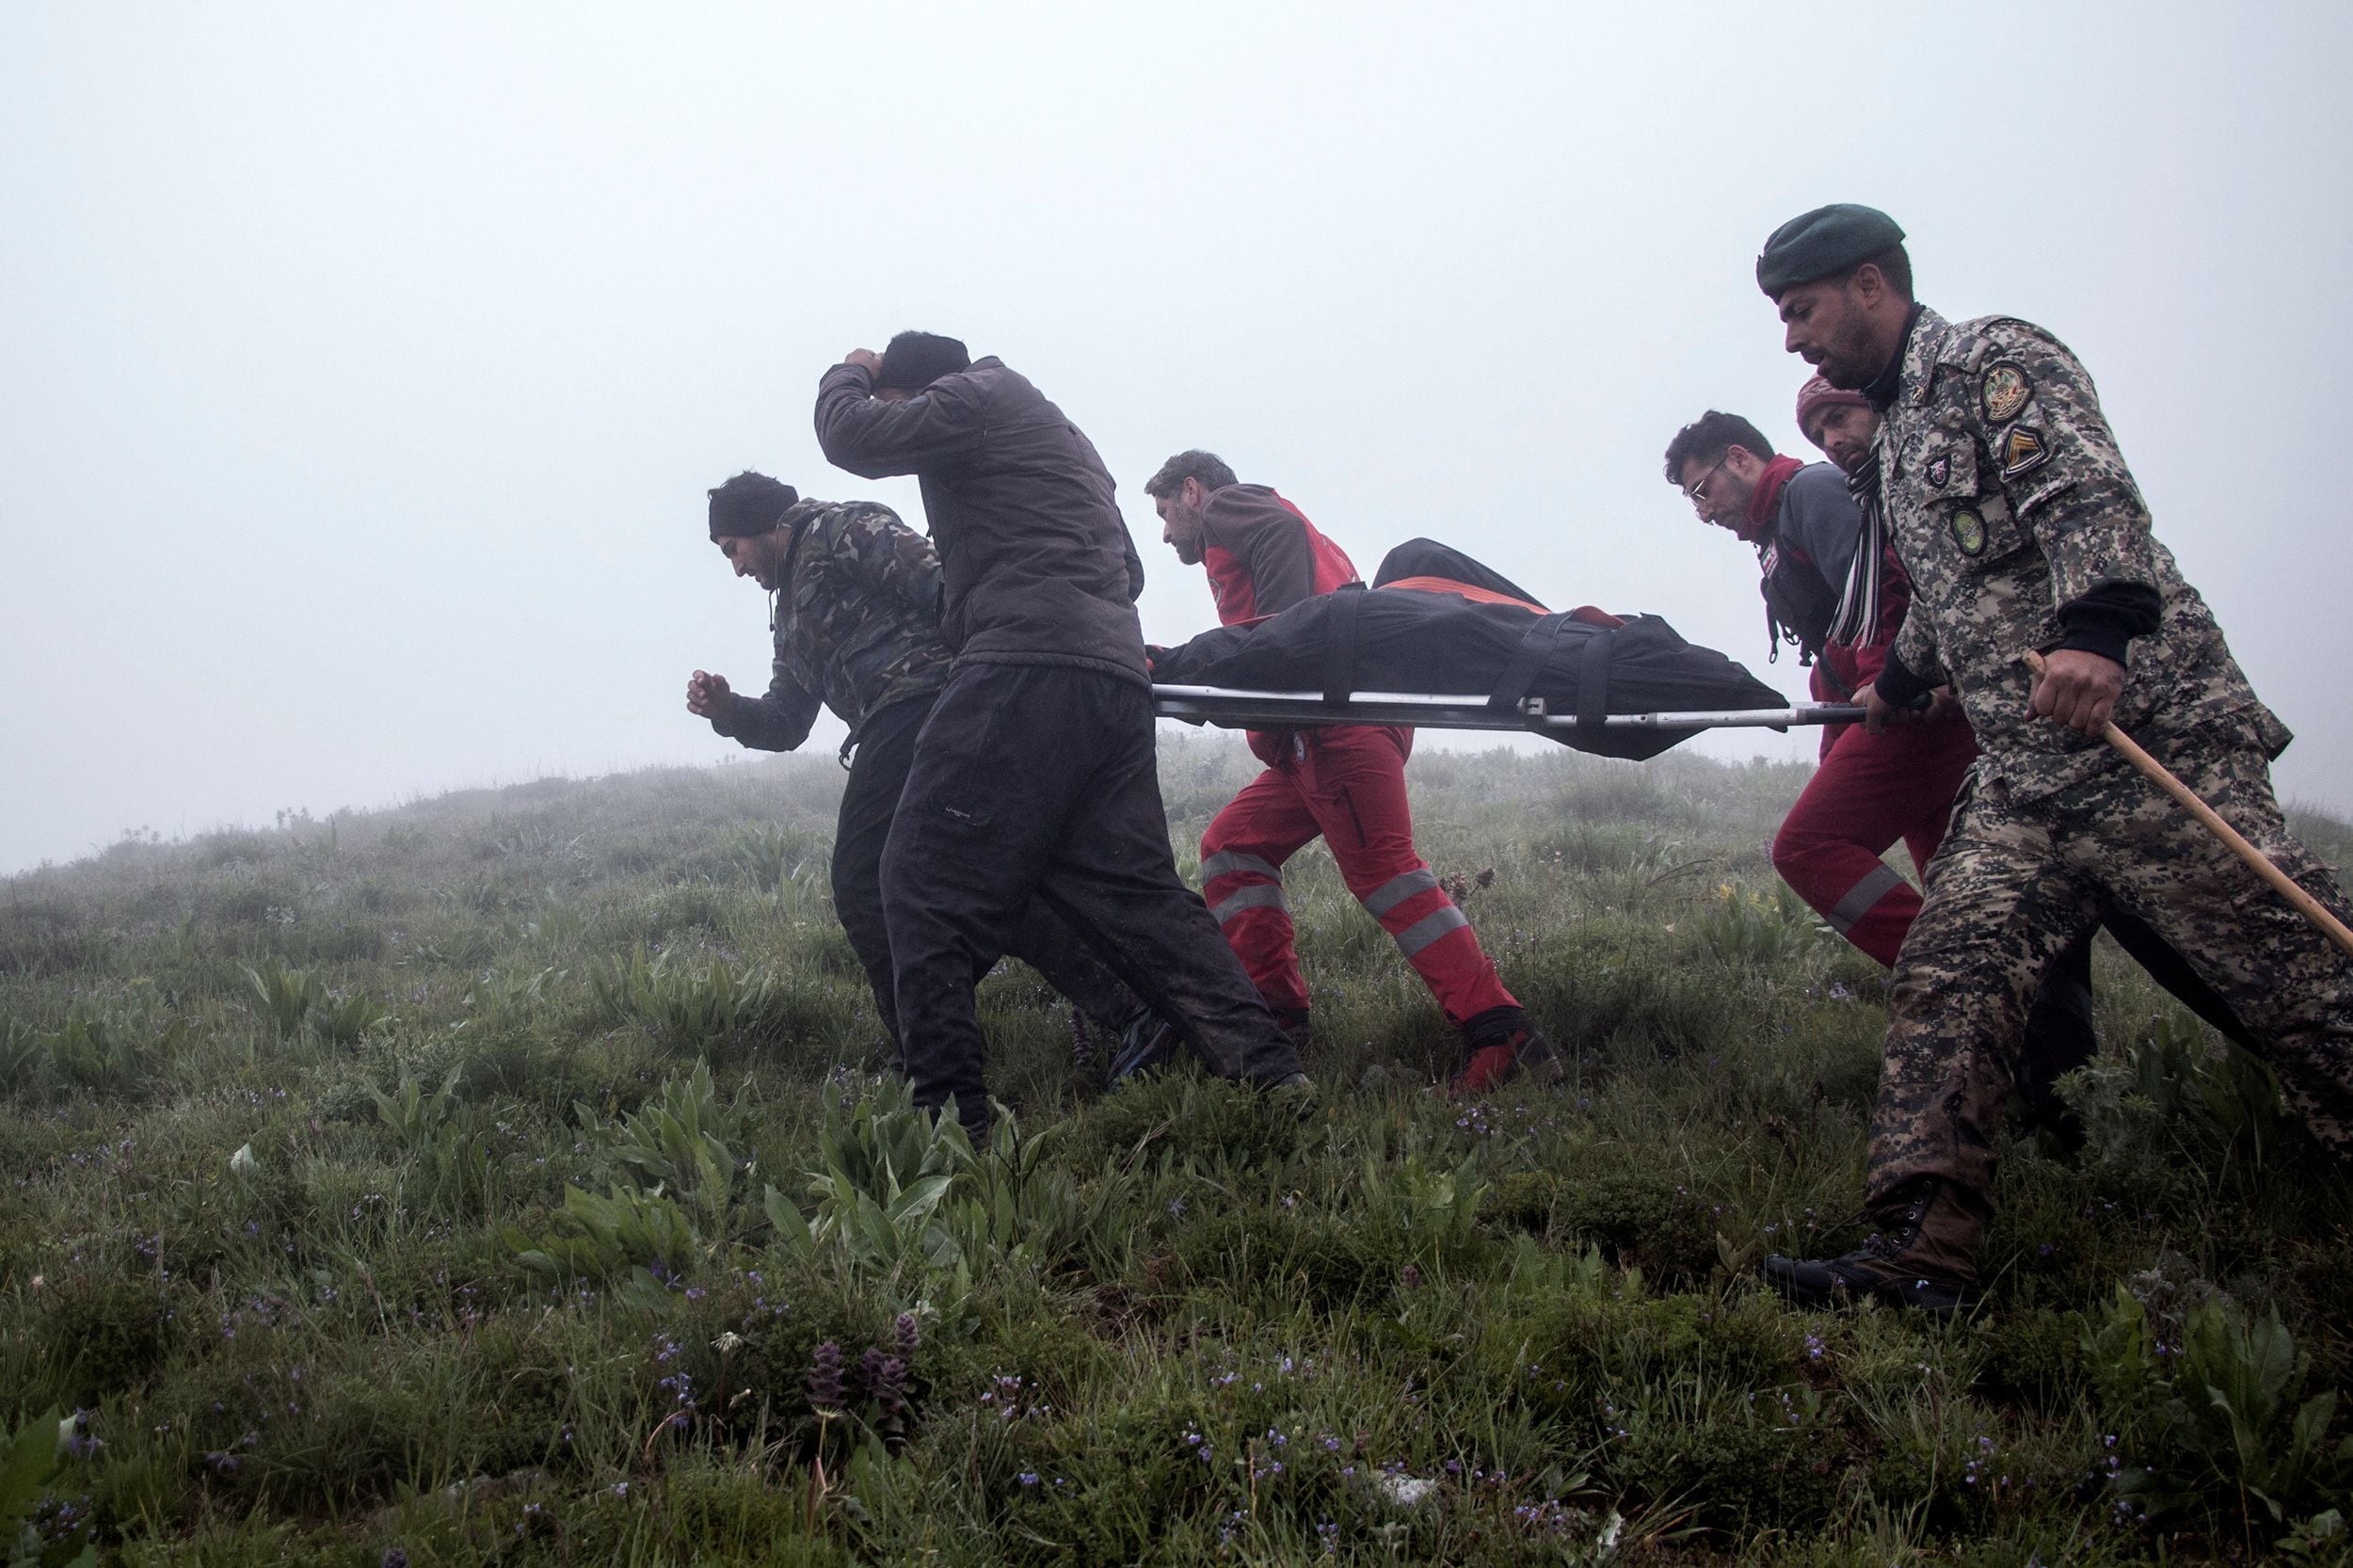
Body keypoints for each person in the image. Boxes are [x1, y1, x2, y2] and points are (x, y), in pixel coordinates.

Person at [1752, 202, 2353, 1311]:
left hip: (2142, 741)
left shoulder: (1992, 362)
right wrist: (1897, 681)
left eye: (1803, 311)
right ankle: (1919, 1254)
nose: (1792, 340)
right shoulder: (1891, 442)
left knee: (2289, 974)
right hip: (2026, 781)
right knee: (1951, 973)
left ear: (1872, 284)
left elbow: (2088, 502)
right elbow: (1955, 585)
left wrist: (2097, 632)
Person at [812, 334, 1308, 1139]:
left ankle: (950, 1126)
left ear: (921, 389)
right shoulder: (1063, 437)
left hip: (1022, 666)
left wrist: (854, 372)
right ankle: (1272, 1073)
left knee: (913, 880)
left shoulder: (974, 398)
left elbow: (851, 437)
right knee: (1140, 895)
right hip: (1109, 676)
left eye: (906, 410)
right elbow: (1131, 571)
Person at [686, 471, 1174, 1073]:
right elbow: (787, 721)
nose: (735, 568)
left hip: (932, 704)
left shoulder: (842, 529)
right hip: (895, 723)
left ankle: (930, 1056)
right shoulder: (787, 612)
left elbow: (948, 586)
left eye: (733, 549)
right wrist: (730, 711)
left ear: (766, 526)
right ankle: (1136, 1008)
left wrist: (1006, 681)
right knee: (987, 884)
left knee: (864, 881)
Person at [1142, 451, 1561, 1093]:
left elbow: (1284, 606)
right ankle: (1276, 1017)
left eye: (1166, 512)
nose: (1166, 531)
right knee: (1232, 846)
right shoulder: (1264, 541)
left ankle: (1500, 1032)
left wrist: (1282, 640)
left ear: (1193, 492)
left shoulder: (1232, 508)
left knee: (1387, 875)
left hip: (1336, 732)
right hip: (1324, 734)